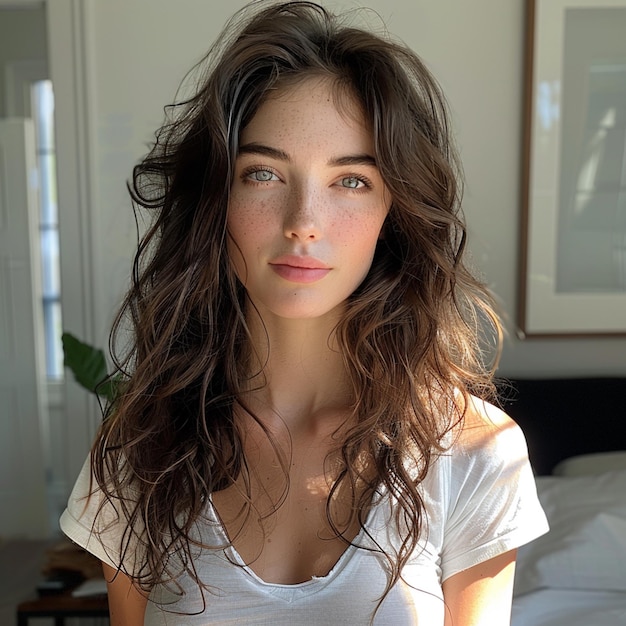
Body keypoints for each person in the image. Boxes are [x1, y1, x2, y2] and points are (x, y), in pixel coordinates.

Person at [60, 1, 548, 624]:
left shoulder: (475, 453)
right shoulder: (142, 447)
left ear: (392, 212)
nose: (303, 223)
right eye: (263, 173)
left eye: (350, 181)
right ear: (217, 199)